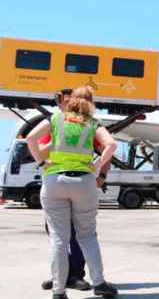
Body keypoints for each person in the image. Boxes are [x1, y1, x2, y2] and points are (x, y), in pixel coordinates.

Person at [27, 86, 119, 299]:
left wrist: (42, 162)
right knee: (87, 235)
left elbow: (31, 139)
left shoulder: (56, 119)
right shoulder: (92, 123)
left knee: (59, 237)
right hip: (83, 182)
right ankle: (99, 282)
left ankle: (59, 291)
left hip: (54, 181)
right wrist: (96, 167)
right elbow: (111, 145)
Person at [40, 89, 91, 292]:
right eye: (64, 101)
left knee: (78, 234)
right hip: (55, 183)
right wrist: (43, 163)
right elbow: (37, 147)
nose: (66, 104)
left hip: (78, 184)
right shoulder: (54, 123)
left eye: (70, 101)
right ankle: (59, 276)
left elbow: (105, 145)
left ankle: (76, 275)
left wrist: (101, 174)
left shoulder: (85, 124)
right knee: (57, 236)